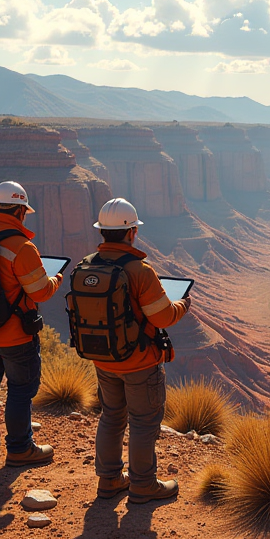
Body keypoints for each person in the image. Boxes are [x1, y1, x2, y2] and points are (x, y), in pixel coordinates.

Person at [85, 198, 190, 503]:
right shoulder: (139, 270)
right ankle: (143, 484)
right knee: (143, 423)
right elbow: (163, 317)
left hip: (103, 358)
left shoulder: (90, 263)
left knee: (111, 416)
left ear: (103, 232)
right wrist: (182, 305)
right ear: (131, 232)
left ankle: (109, 481)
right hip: (139, 361)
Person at [0, 181, 62, 467]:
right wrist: (55, 279)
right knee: (21, 390)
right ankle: (20, 448)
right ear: (21, 211)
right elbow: (40, 292)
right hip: (16, 335)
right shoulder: (22, 247)